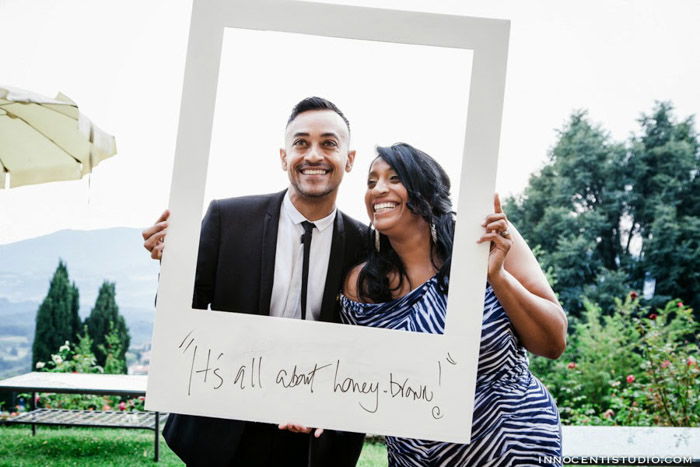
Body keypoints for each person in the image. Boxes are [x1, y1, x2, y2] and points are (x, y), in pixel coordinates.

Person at [142, 97, 367, 467]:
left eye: (328, 143)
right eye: (300, 143)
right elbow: (181, 315)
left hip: (317, 437)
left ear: (349, 158)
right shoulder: (227, 218)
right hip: (226, 430)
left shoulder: (366, 244)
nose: (313, 155)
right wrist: (173, 268)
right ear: (283, 157)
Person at [341, 143, 567, 466]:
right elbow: (349, 376)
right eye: (371, 181)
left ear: (425, 190)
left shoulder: (486, 239)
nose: (378, 189)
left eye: (394, 178)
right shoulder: (360, 287)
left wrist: (497, 276)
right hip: (417, 459)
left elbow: (553, 342)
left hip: (513, 447)